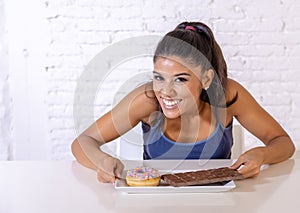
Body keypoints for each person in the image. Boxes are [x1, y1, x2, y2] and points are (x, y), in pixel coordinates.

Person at [71, 21, 295, 183]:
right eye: (159, 77)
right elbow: (83, 142)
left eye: (180, 79)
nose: (165, 91)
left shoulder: (228, 95)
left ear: (206, 78)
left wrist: (261, 154)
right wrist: (101, 160)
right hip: (156, 204)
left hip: (220, 203)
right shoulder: (147, 99)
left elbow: (283, 142)